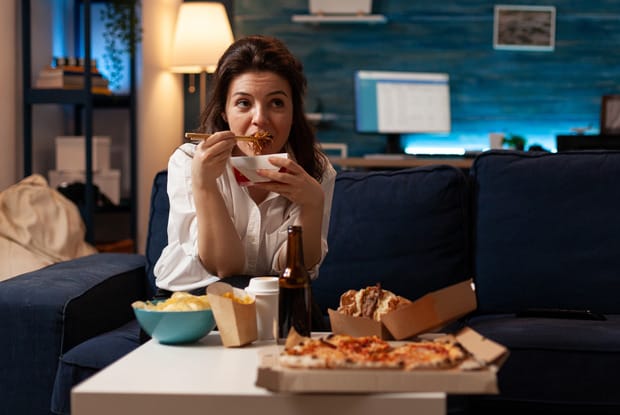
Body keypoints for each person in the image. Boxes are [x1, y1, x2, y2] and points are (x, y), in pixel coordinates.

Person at [153, 35, 336, 297]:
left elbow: (293, 270)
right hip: (191, 303)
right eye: (243, 103)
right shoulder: (189, 161)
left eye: (276, 103)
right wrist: (205, 184)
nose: (260, 120)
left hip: (272, 301)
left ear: (293, 112)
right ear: (224, 112)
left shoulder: (315, 170)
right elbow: (225, 266)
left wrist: (312, 204)